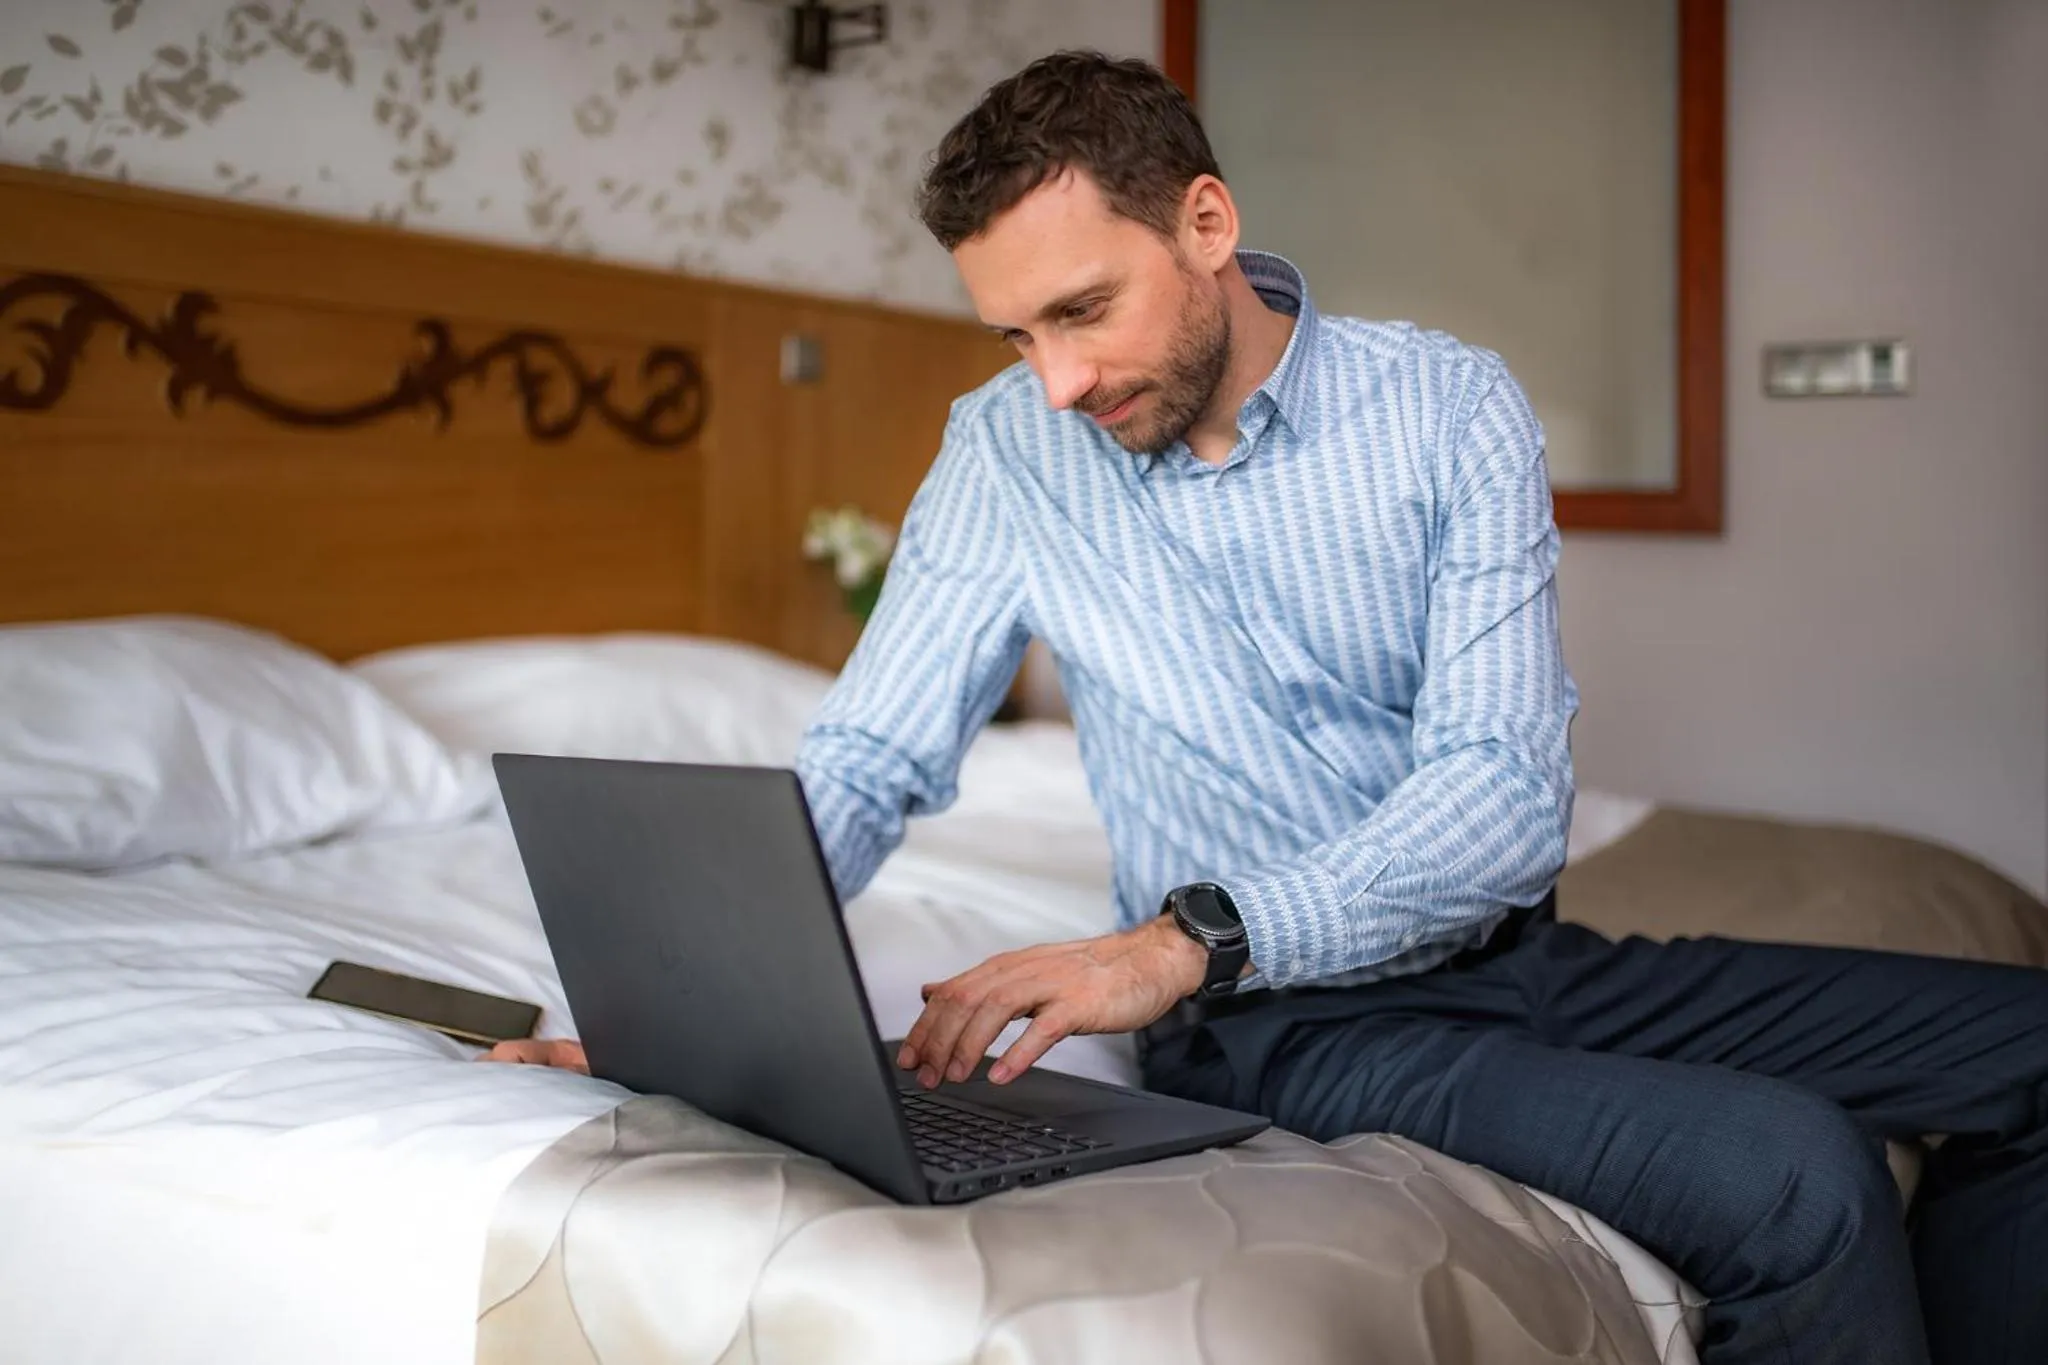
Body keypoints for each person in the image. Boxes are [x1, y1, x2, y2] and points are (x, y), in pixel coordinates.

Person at [489, 52, 2046, 1365]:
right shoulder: (1002, 457)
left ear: (1207, 224)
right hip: (1276, 1034)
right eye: (1018, 335)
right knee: (1801, 1177)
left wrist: (1175, 937)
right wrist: (662, 1004)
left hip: (1515, 955)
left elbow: (1501, 795)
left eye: (1083, 312)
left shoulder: (1447, 409)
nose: (1054, 382)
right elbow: (876, 755)